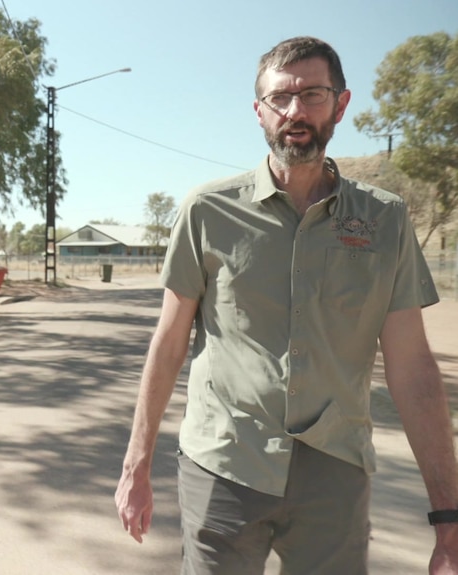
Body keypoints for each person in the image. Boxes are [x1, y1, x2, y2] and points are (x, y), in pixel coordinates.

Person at [115, 36, 458, 574]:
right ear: (259, 112)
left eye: (313, 94)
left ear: (341, 104)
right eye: (280, 98)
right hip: (224, 465)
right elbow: (169, 340)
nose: (295, 111)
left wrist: (448, 510)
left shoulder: (383, 221)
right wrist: (136, 463)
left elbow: (411, 365)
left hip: (335, 475)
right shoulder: (207, 212)